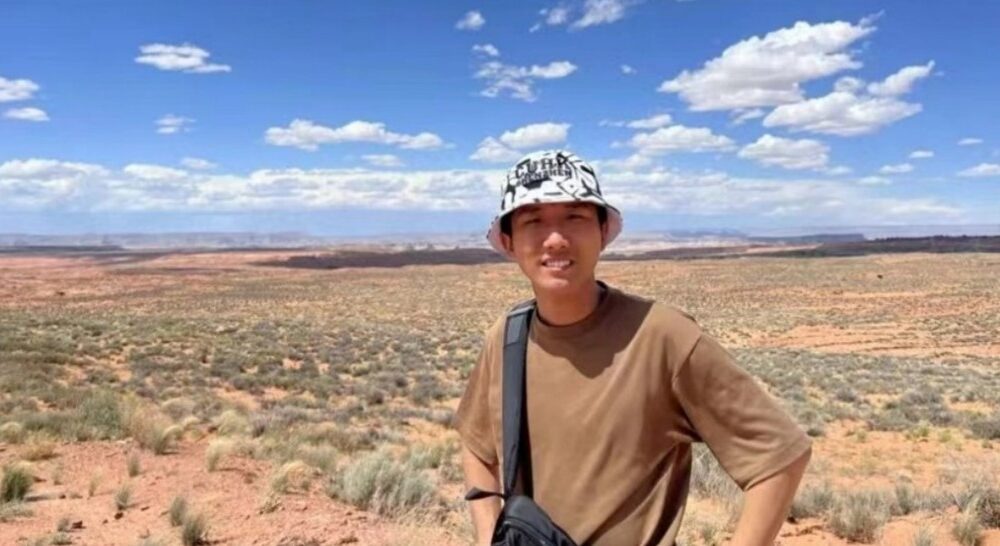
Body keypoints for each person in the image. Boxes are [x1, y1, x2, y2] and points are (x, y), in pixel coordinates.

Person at [454, 150, 812, 546]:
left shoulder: (663, 336)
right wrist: (490, 536)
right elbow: (477, 447)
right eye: (533, 221)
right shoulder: (507, 338)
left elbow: (779, 457)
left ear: (603, 231)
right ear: (509, 240)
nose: (555, 239)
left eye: (575, 217)